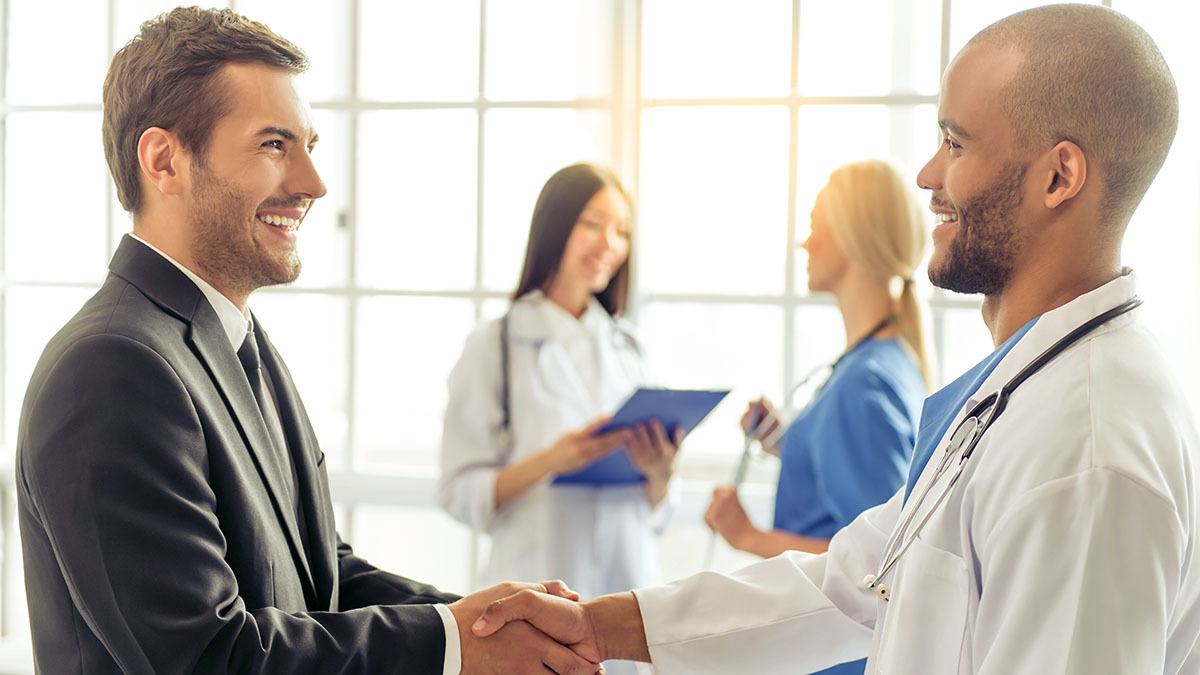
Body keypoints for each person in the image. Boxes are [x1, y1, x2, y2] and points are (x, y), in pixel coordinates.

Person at [468, 5, 1200, 674]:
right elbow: (855, 580)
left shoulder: (1090, 448)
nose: (927, 173)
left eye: (955, 142)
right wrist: (602, 626)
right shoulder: (1019, 389)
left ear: (1059, 176)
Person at [15, 8, 600, 674]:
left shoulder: (237, 339)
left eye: (308, 146)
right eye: (273, 145)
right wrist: (457, 645)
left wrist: (489, 620)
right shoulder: (110, 368)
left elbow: (317, 570)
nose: (313, 184)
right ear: (164, 160)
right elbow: (208, 656)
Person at [440, 163, 679, 675]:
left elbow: (655, 513)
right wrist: (554, 459)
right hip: (535, 594)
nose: (610, 244)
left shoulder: (629, 349)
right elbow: (460, 492)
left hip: (627, 593)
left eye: (622, 232)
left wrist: (659, 474)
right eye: (593, 224)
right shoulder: (496, 345)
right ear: (556, 226)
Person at [703, 160, 931, 675]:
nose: (804, 244)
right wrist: (790, 442)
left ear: (852, 237)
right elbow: (860, 491)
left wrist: (749, 537)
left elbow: (883, 561)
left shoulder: (862, 385)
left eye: (813, 227)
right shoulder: (879, 362)